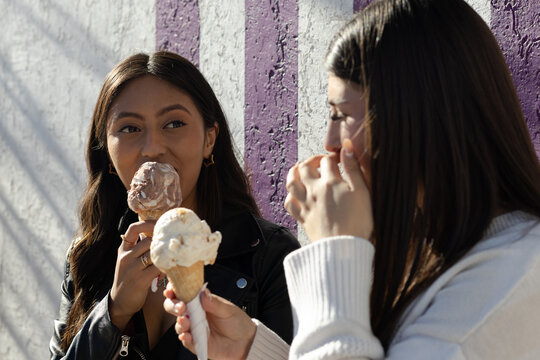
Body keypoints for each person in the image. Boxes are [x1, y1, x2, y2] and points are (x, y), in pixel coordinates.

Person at [164, 0, 540, 358]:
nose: (329, 143)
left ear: (416, 119)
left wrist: (335, 249)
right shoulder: (434, 248)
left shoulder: (511, 276)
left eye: (341, 115)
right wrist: (255, 351)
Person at [49, 51, 300, 359]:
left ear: (210, 139)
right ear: (108, 156)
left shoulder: (269, 256)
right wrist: (112, 312)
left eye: (174, 123)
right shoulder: (88, 256)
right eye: (129, 128)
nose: (153, 147)